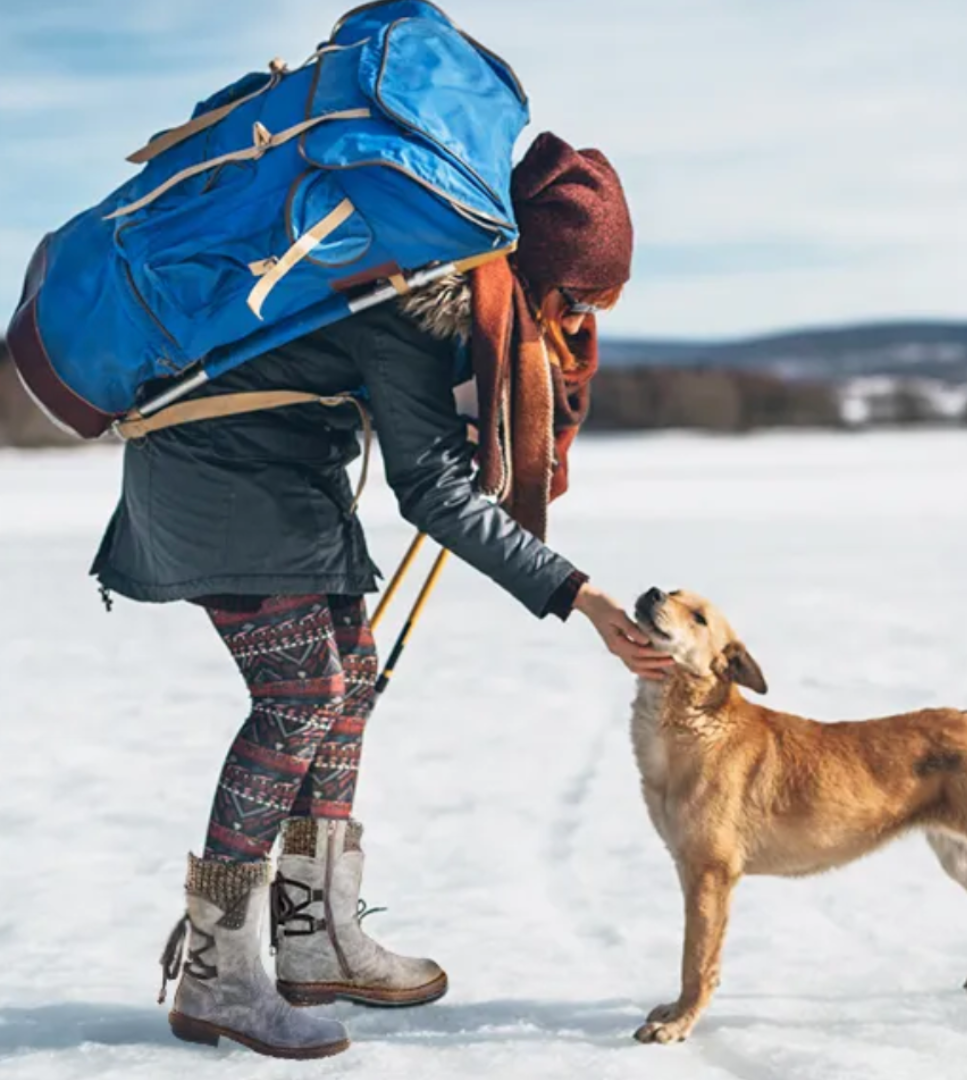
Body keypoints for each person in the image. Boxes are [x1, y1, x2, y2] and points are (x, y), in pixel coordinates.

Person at [91, 132, 673, 1059]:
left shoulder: (429, 277)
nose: (575, 322)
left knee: (348, 677)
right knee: (301, 696)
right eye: (576, 298)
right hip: (218, 477)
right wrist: (582, 598)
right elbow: (433, 491)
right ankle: (217, 974)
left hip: (280, 472)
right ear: (536, 266)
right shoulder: (412, 294)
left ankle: (314, 934)